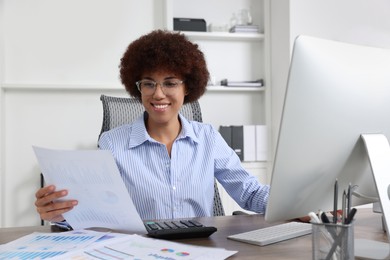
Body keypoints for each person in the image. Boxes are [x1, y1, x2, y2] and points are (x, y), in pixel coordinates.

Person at [35, 30, 270, 223]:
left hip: (201, 248)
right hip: (141, 250)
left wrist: (295, 204)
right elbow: (96, 210)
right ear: (137, 87)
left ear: (186, 87)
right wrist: (60, 214)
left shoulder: (208, 138)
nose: (158, 94)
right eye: (149, 83)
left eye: (170, 83)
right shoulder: (112, 143)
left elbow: (250, 193)